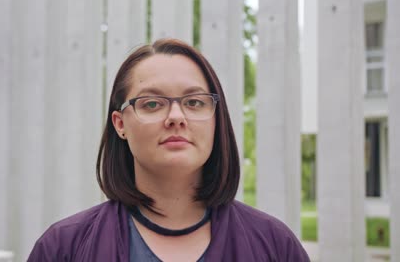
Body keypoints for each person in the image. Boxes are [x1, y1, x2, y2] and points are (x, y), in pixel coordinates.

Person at [28, 38, 310, 261]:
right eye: (152, 104)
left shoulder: (275, 247)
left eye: (194, 102)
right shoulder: (63, 248)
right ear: (120, 124)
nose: (176, 116)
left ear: (216, 119)